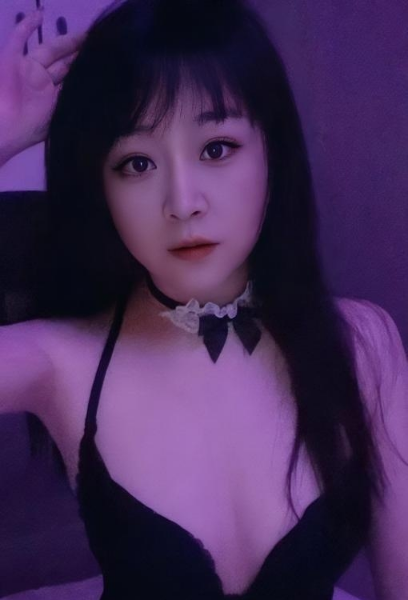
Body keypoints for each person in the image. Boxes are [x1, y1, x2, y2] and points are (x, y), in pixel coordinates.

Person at [0, 1, 407, 599]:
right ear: (100, 187)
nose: (183, 202)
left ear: (273, 153)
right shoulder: (59, 360)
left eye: (216, 149)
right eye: (137, 162)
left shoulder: (363, 345)